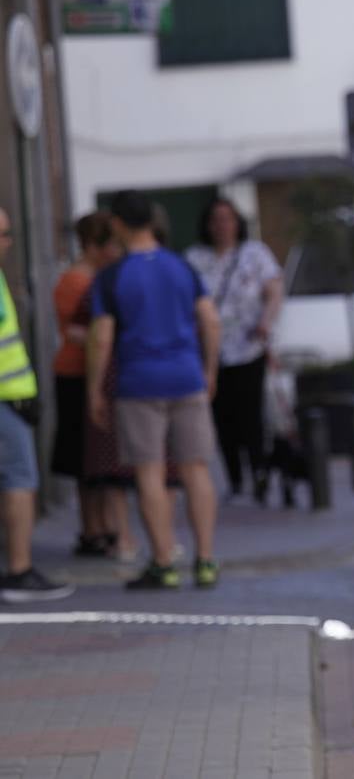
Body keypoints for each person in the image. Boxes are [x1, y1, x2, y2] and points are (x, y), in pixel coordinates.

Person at [89, 190, 222, 591]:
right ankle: (205, 560)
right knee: (196, 468)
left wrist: (95, 389)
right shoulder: (182, 266)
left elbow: (102, 337)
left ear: (116, 224)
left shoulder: (112, 275)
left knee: (150, 472)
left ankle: (163, 562)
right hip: (186, 377)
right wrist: (209, 370)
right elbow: (210, 321)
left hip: (138, 382)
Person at [185, 197, 284, 504]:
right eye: (216, 219)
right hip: (209, 351)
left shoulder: (254, 254)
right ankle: (235, 478)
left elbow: (274, 290)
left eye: (228, 219)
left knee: (250, 414)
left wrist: (266, 322)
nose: (222, 225)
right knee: (221, 416)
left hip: (248, 347)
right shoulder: (194, 258)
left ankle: (259, 473)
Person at [0, 206, 75, 604]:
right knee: (19, 481)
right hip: (5, 403)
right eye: (1, 235)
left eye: (8, 234)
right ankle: (18, 569)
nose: (6, 243)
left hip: (11, 399)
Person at [52, 211, 124, 557]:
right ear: (94, 244)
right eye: (109, 243)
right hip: (76, 374)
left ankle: (105, 526)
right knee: (84, 458)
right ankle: (92, 528)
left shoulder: (102, 277)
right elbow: (74, 332)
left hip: (99, 373)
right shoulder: (74, 280)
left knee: (100, 458)